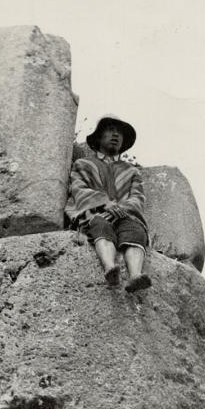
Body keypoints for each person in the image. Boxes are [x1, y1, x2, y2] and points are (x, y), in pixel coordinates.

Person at [65, 114, 152, 294]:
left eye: (119, 133)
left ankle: (135, 275)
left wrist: (121, 208)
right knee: (99, 224)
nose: (116, 135)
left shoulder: (131, 171)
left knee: (135, 230)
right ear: (98, 137)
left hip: (125, 216)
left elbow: (137, 197)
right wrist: (104, 203)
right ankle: (110, 267)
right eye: (110, 130)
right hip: (95, 213)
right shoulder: (84, 164)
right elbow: (78, 189)